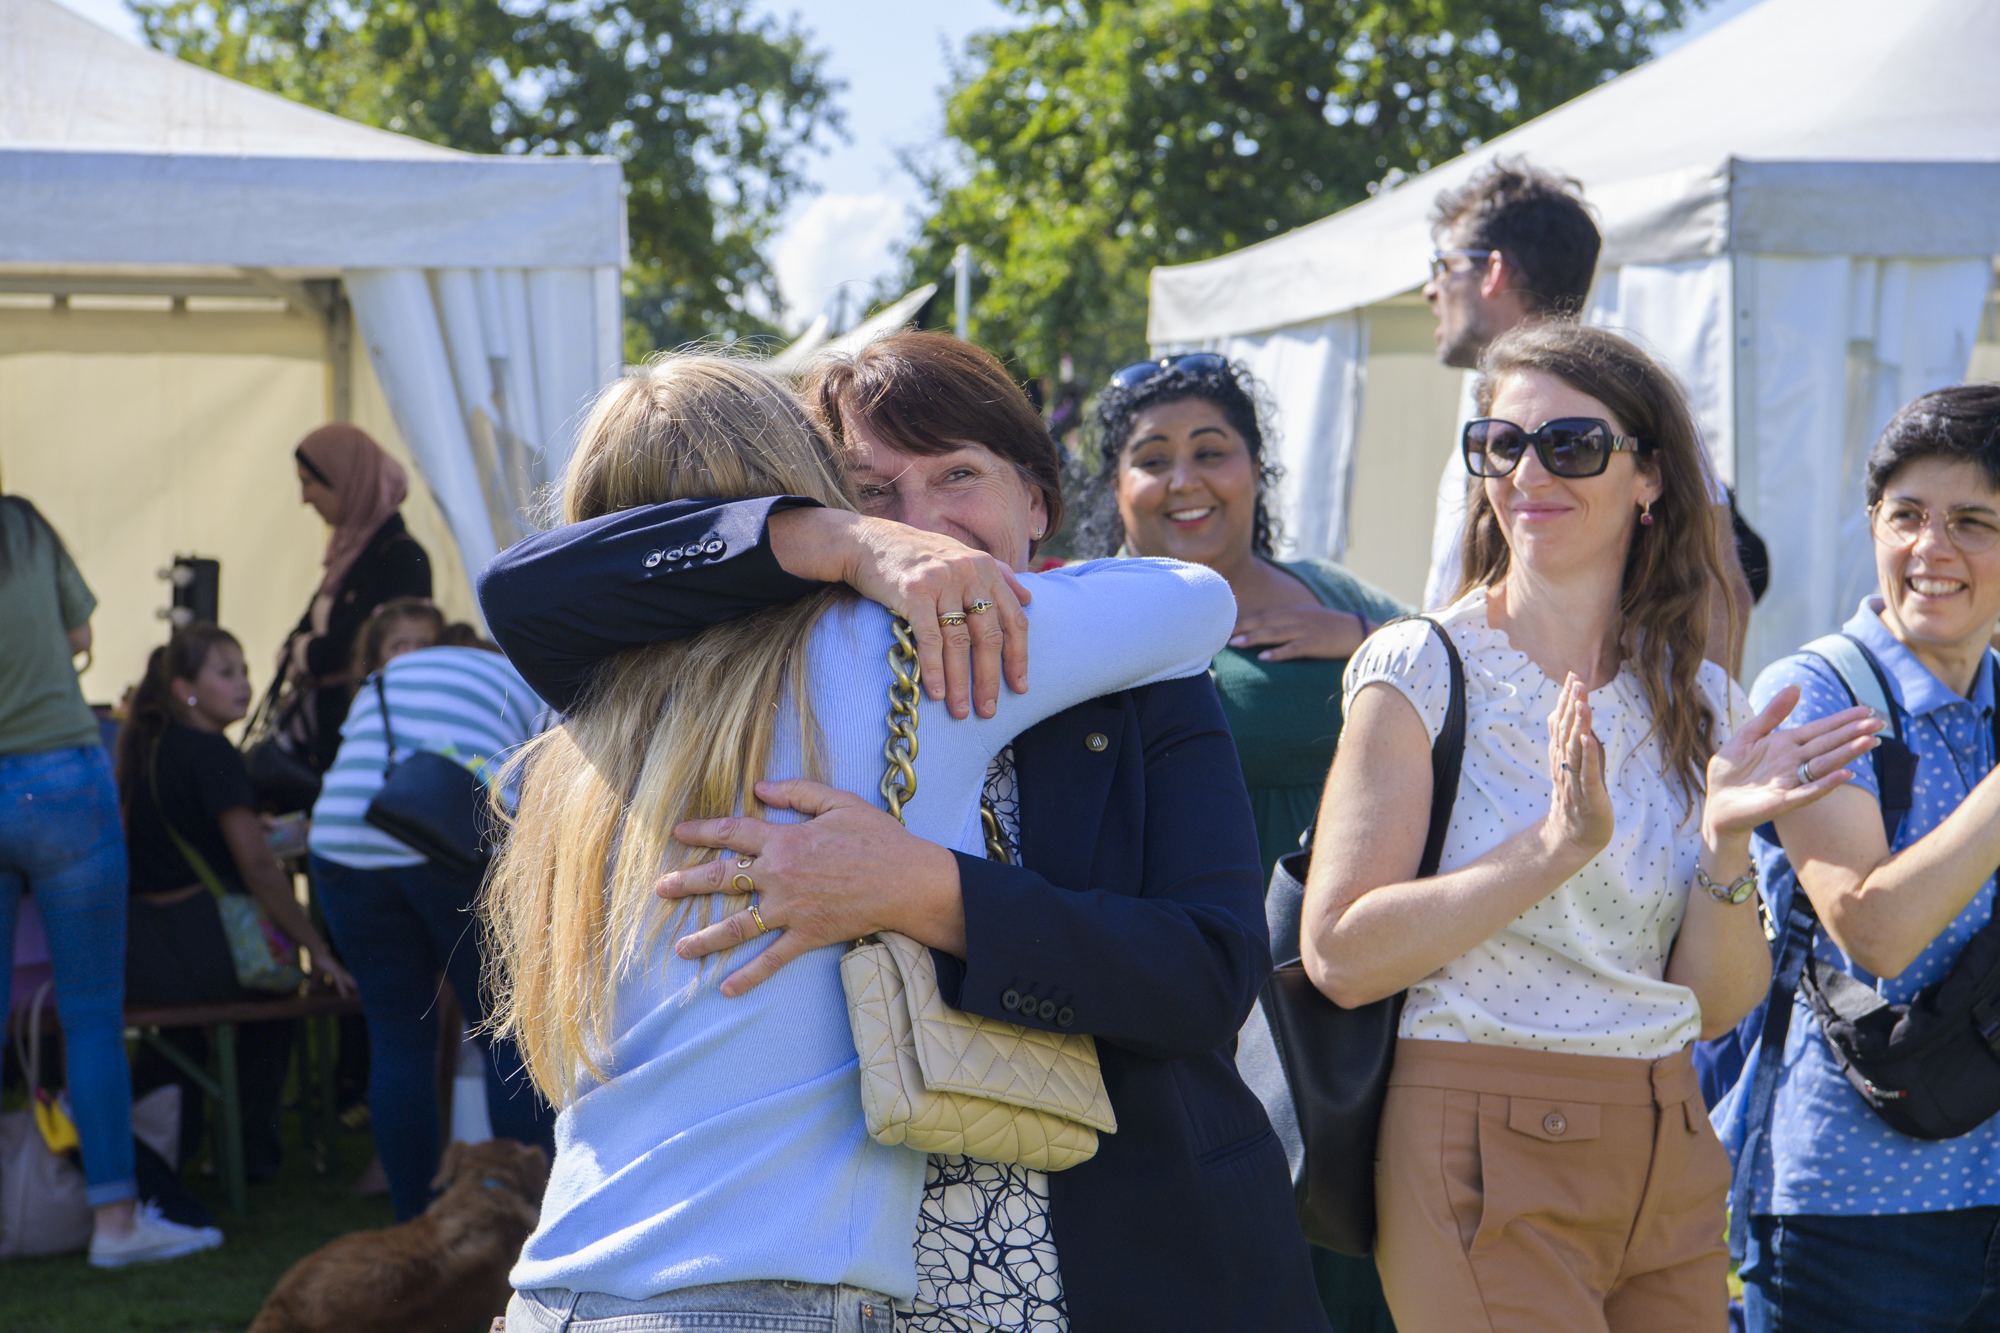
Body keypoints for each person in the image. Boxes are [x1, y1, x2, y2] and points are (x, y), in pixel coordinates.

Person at [479, 332, 1330, 1332]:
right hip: (847, 1276)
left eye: (958, 474)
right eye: (869, 493)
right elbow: (528, 590)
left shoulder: (1135, 682)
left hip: (1104, 1252)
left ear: (1036, 501)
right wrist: (835, 544)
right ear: (802, 506)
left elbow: (1207, 974)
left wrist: (929, 891)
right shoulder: (786, 674)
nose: (922, 524)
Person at [1300, 322, 1882, 1330]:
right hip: (1478, 1140)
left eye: (1569, 444)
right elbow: (1340, 954)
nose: (1528, 470)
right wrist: (1550, 849)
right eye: (1499, 443)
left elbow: (1707, 1009)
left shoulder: (1702, 699)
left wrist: (1725, 848)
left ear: (1647, 477)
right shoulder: (1419, 668)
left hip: (1667, 1146)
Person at [1723, 385, 2000, 1331]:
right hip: (1854, 1210)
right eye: (1907, 516)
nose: (1932, 548)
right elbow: (1872, 928)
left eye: (1974, 521)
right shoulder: (1819, 689)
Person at [1081, 353, 1406, 883]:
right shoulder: (1077, 607)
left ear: (1256, 468)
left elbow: (1464, 671)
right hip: (1151, 949)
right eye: (1153, 461)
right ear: (1116, 486)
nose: (1184, 481)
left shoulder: (1331, 591)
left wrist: (1369, 639)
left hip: (1326, 952)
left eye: (1210, 452)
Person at [1418, 158, 1751, 672]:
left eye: (1445, 265)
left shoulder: (1630, 405)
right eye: (1506, 446)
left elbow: (1717, 594)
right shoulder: (1488, 409)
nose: (1431, 289)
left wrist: (1687, 737)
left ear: (1495, 272)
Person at [0, 494, 221, 1267]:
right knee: (93, 1018)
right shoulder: (21, 524)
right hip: (62, 772)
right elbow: (80, 632)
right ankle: (116, 1224)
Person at [307, 602, 556, 1222]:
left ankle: (415, 1222)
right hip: (448, 849)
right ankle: (520, 1218)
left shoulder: (387, 678)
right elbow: (549, 792)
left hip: (342, 840)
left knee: (396, 1039)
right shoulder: (531, 674)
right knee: (506, 1034)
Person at [120, 625, 356, 1183]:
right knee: (273, 1011)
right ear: (185, 688)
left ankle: (167, 1156)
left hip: (145, 951)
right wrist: (316, 949)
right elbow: (258, 869)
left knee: (177, 1043)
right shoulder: (211, 752)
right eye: (226, 673)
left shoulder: (147, 747)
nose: (245, 685)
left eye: (245, 671)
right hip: (205, 949)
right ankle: (250, 1161)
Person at [283, 424, 432, 773]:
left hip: (369, 737)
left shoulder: (399, 557)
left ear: (346, 479)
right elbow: (305, 637)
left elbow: (343, 649)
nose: (304, 498)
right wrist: (304, 649)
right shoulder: (350, 554)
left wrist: (301, 652)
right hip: (333, 732)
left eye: (309, 482)